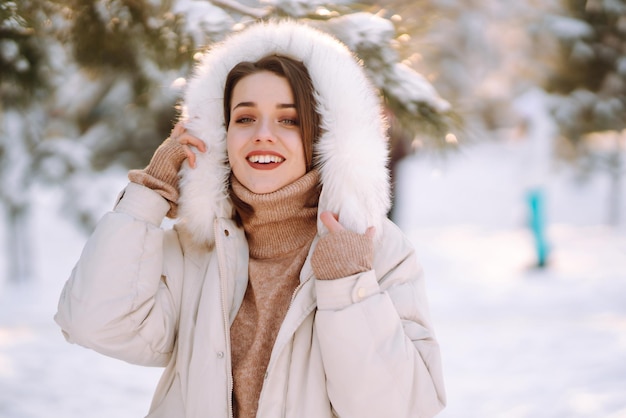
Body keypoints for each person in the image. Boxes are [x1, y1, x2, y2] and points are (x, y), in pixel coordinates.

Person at [55, 20, 446, 418]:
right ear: (220, 133)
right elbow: (93, 323)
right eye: (244, 118)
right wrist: (148, 195)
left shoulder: (374, 249)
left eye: (288, 120)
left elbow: (401, 409)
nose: (262, 134)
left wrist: (347, 287)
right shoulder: (195, 246)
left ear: (324, 136)